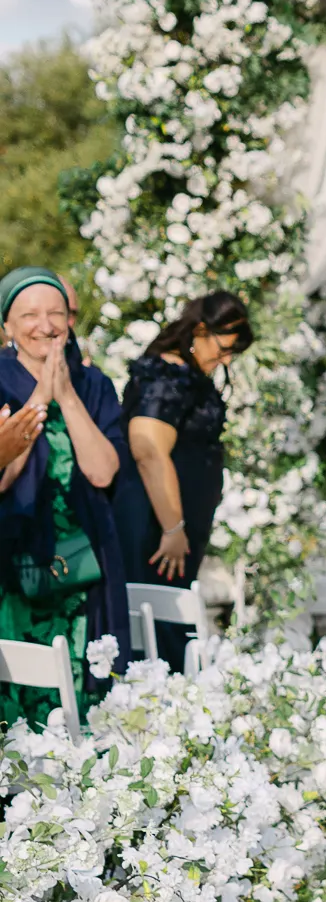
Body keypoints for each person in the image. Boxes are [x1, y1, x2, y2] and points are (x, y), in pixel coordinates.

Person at [0, 266, 126, 727]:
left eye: (56, 312)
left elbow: (103, 472)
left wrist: (67, 395)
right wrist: (39, 396)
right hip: (14, 566)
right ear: (6, 326)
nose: (46, 325)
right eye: (29, 314)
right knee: (20, 691)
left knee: (88, 685)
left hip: (87, 564)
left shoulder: (96, 386)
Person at [114, 293, 253, 662]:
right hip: (155, 523)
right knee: (157, 620)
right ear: (200, 330)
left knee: (170, 616)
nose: (226, 359)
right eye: (223, 348)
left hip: (173, 524)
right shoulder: (167, 374)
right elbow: (148, 449)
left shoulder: (190, 373)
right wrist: (173, 528)